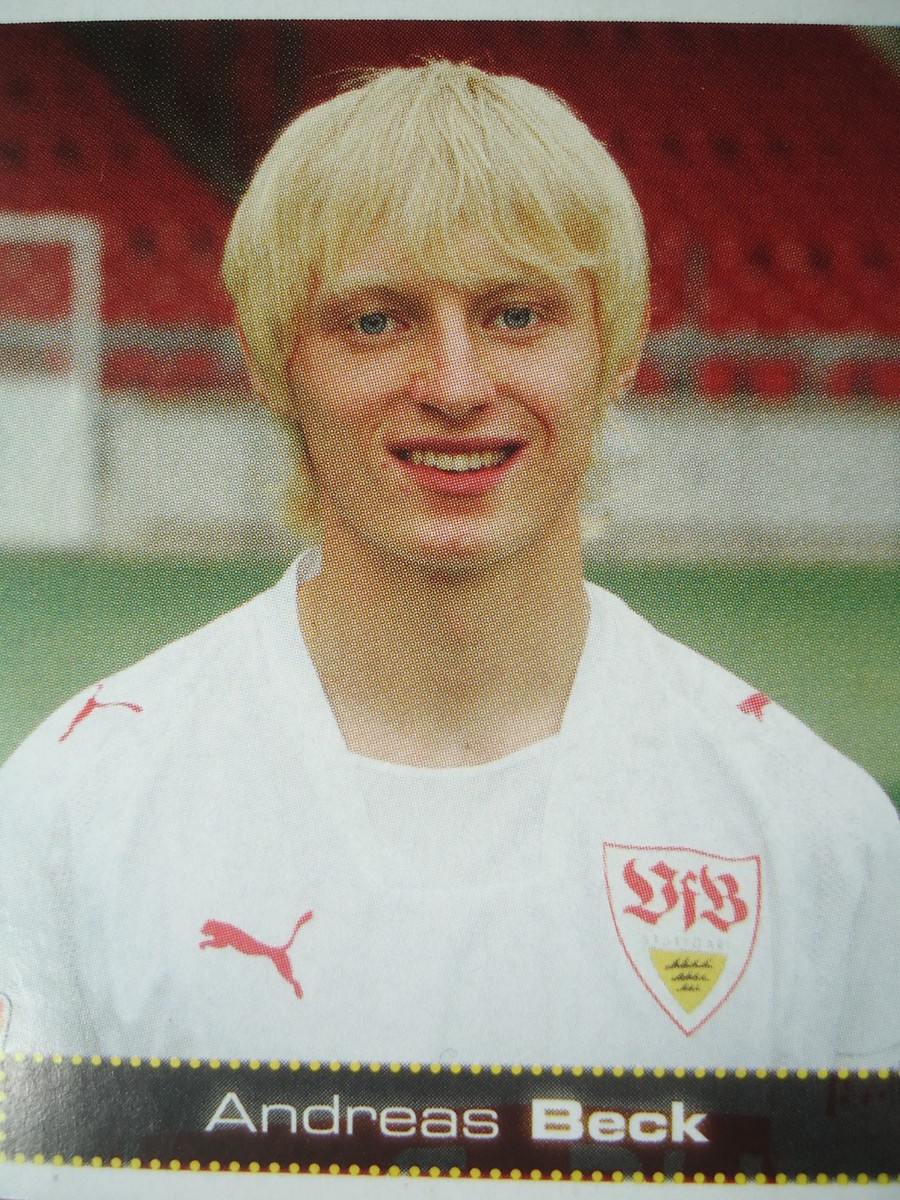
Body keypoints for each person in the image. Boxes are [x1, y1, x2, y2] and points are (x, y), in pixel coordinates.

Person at [0, 61, 897, 1069]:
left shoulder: (817, 836)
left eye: (517, 315)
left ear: (619, 345)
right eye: (376, 321)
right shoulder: (72, 810)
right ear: (268, 361)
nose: (458, 387)